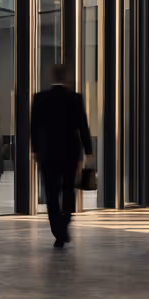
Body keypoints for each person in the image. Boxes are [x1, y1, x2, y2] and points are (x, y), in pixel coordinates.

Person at [30, 63, 95, 247]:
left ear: (51, 77)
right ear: (65, 77)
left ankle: (58, 231)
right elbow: (83, 126)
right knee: (68, 190)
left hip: (48, 153)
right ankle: (64, 223)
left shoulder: (40, 98)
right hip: (70, 152)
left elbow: (34, 127)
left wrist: (36, 150)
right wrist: (88, 151)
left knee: (51, 192)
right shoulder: (75, 98)